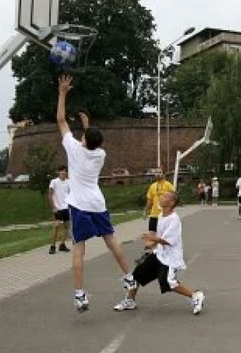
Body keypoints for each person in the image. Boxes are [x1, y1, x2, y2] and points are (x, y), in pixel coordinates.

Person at [55, 75, 135, 313]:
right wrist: (88, 125)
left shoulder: (73, 149)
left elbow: (60, 119)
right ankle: (129, 277)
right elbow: (91, 141)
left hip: (79, 205)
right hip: (97, 203)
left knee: (79, 249)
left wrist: (62, 92)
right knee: (112, 240)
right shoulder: (100, 155)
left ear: (83, 140)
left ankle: (80, 295)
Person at [112, 191, 206, 314]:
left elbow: (168, 240)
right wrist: (152, 244)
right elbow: (160, 236)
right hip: (159, 254)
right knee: (137, 274)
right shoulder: (161, 215)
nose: (161, 198)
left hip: (170, 258)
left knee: (168, 282)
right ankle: (130, 300)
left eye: (165, 197)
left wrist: (152, 240)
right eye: (162, 196)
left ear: (171, 203)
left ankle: (195, 296)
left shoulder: (174, 219)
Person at [141, 168, 175, 261]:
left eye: (160, 172)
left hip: (164, 215)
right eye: (156, 173)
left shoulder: (168, 185)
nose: (158, 174)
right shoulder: (152, 186)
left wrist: (171, 210)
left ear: (163, 174)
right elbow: (149, 200)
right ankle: (147, 254)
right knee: (151, 234)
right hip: (154, 215)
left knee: (163, 236)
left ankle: (166, 254)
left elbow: (174, 198)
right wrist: (145, 211)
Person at [48, 165, 71, 254]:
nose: (64, 172)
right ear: (58, 172)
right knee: (56, 227)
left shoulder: (68, 182)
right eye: (62, 171)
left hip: (66, 208)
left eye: (65, 171)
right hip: (57, 209)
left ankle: (62, 245)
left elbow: (70, 194)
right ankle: (52, 246)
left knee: (67, 227)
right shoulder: (54, 182)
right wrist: (53, 207)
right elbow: (50, 195)